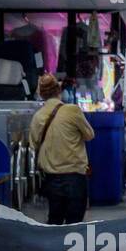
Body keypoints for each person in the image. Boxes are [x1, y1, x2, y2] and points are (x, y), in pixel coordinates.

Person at [28, 72, 93, 224]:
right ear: (59, 90)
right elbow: (90, 135)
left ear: (41, 94)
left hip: (52, 178)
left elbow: (33, 144)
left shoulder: (38, 116)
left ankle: (55, 248)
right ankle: (73, 248)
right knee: (75, 223)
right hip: (75, 177)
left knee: (54, 221)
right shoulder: (72, 111)